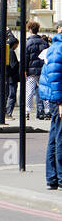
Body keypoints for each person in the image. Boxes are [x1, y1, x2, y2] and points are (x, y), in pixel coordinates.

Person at [39, 32, 62, 190]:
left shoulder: (56, 47)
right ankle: (59, 177)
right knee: (59, 138)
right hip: (58, 100)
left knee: (55, 137)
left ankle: (53, 177)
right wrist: (60, 101)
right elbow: (55, 76)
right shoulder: (58, 48)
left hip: (56, 98)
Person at [24, 21, 49, 120]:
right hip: (43, 70)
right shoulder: (44, 42)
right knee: (44, 90)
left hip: (31, 71)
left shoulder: (28, 43)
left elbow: (26, 59)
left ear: (30, 30)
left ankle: (27, 111)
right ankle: (47, 111)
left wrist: (24, 71)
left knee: (29, 91)